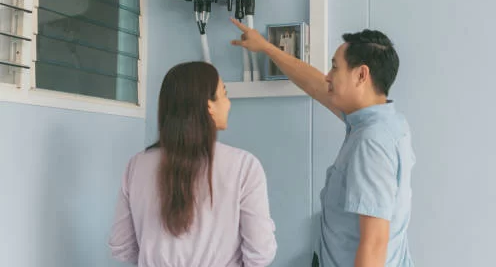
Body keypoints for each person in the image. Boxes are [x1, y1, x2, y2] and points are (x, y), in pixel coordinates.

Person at [231, 19, 415, 267]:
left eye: (334, 68)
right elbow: (315, 84)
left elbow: (374, 243)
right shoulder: (383, 122)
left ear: (361, 75)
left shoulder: (372, 142)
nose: (327, 76)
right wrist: (266, 47)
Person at [108, 62, 277, 267]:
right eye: (224, 94)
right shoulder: (244, 167)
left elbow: (122, 247)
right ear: (209, 107)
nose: (228, 103)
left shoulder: (136, 166)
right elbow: (260, 253)